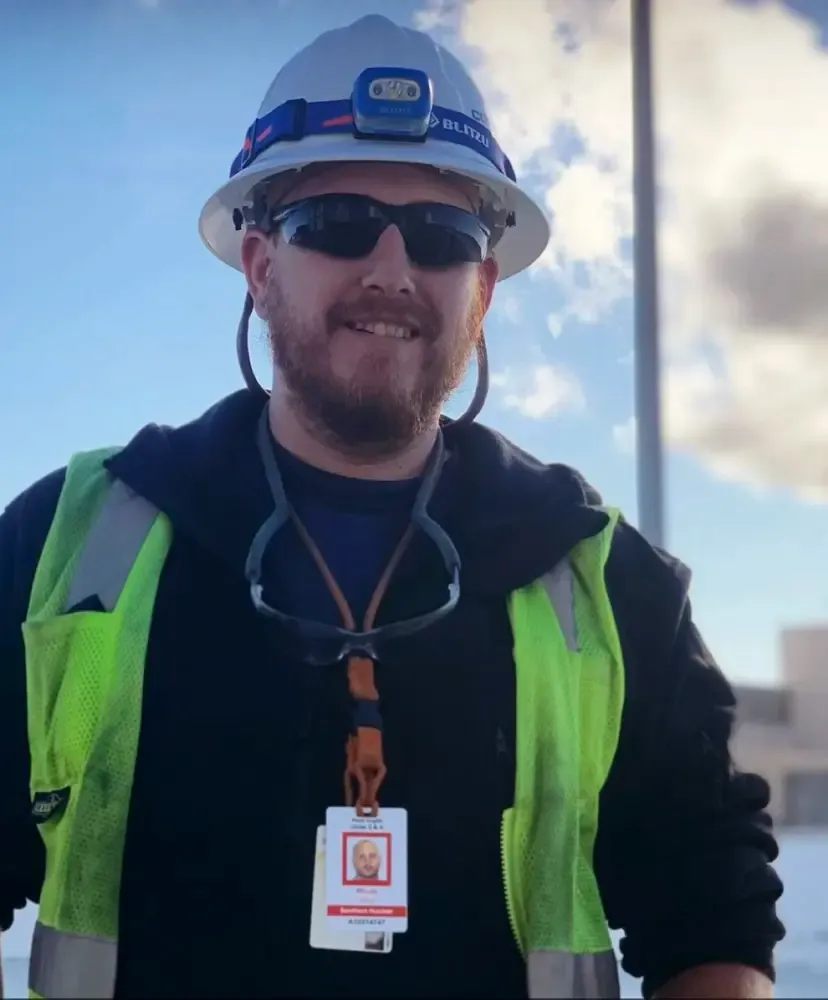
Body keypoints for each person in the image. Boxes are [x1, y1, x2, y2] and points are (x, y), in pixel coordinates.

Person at [0, 13, 784, 1000]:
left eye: (441, 237)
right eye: (335, 222)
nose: (390, 269)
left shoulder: (605, 583)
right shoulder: (67, 548)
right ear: (259, 265)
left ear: (482, 290)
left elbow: (712, 906)